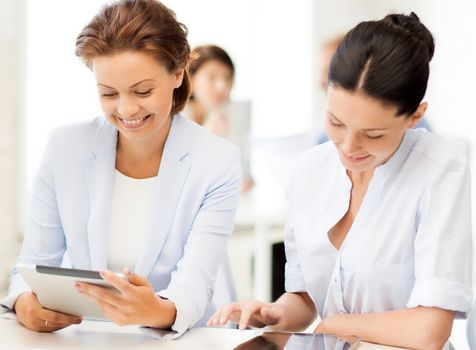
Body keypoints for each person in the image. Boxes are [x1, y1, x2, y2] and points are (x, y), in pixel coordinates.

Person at [209, 12, 472, 350]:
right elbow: (304, 301)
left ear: (415, 117)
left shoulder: (440, 169)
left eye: (373, 134)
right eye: (335, 122)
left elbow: (429, 330)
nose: (348, 147)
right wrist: (272, 313)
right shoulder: (309, 170)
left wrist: (335, 323)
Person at [1, 0, 242, 338]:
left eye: (142, 91)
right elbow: (32, 265)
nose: (127, 109)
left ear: (177, 74)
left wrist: (157, 309)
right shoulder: (65, 148)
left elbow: (195, 283)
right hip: (82, 338)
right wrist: (26, 304)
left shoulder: (217, 161)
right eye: (108, 93)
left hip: (176, 341)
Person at [184, 45, 254, 192]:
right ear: (191, 78)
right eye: (212, 77)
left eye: (227, 78)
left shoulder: (229, 113)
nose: (222, 86)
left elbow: (243, 172)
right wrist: (208, 137)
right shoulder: (176, 115)